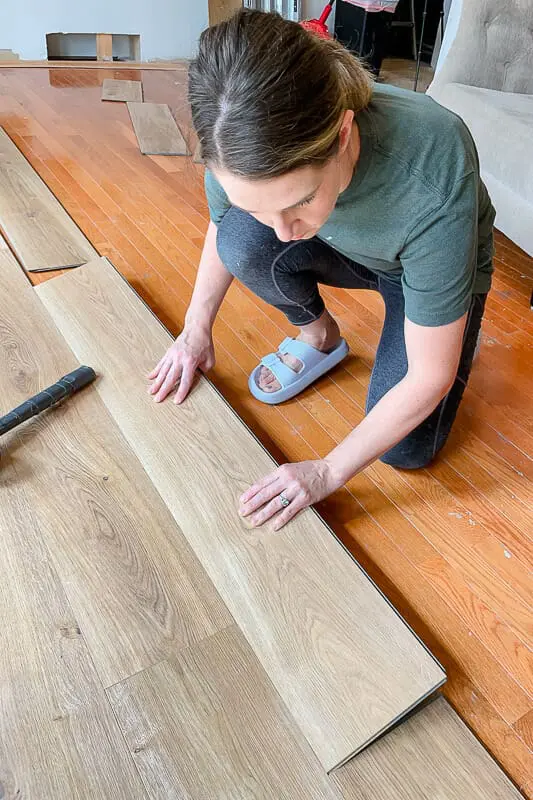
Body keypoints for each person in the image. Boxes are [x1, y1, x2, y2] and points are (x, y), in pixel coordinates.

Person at [148, 9, 495, 532]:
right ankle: (320, 336)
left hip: (419, 264)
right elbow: (225, 230)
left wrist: (326, 471)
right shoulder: (235, 141)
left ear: (343, 133)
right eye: (261, 207)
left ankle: (434, 321)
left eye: (300, 200)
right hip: (341, 243)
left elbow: (430, 376)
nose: (283, 231)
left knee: (405, 449)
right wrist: (195, 330)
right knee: (242, 239)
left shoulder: (432, 174)